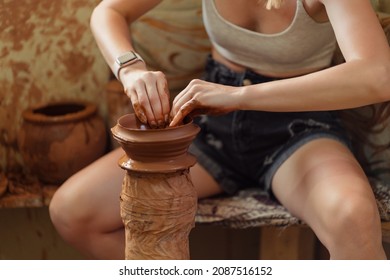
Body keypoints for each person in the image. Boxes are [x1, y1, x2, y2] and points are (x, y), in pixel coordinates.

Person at [49, 0, 390, 259]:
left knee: (353, 219)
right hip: (209, 121)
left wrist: (242, 96)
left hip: (300, 127)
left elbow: (378, 75)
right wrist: (130, 68)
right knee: (72, 212)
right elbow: (108, 11)